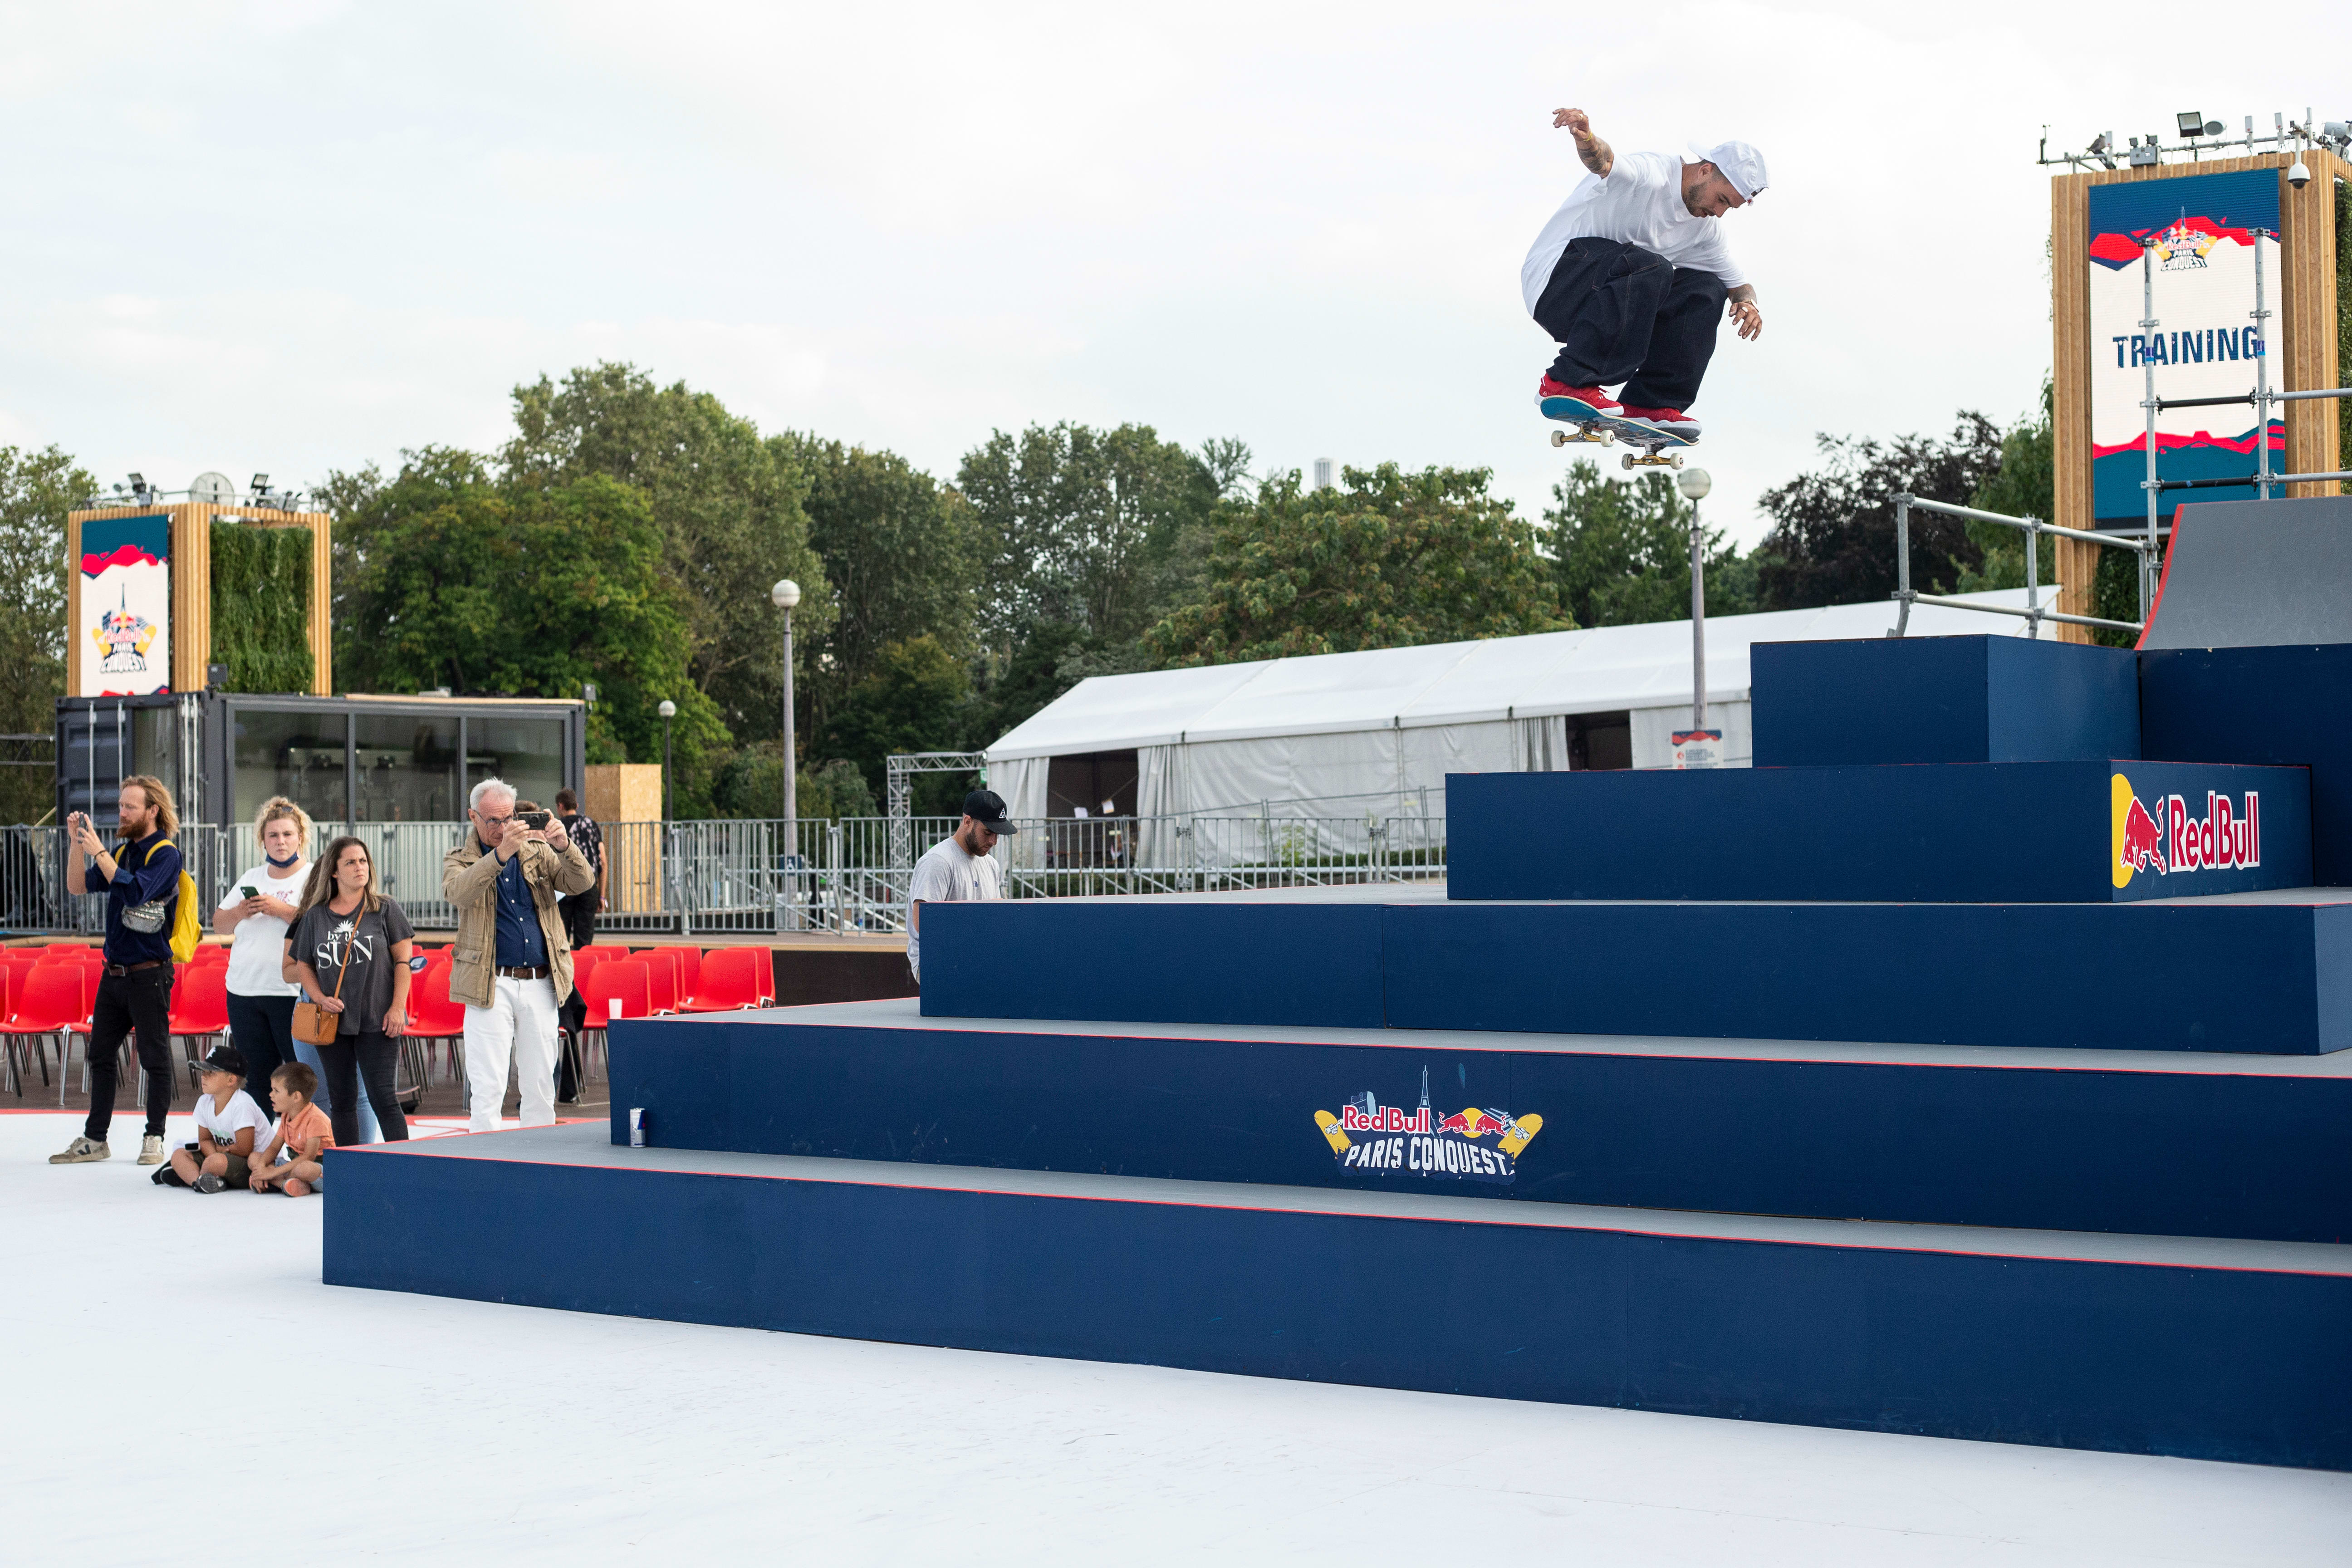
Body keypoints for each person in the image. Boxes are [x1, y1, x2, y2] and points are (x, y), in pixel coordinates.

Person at [1522, 108, 1767, 438]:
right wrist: (1587, 139)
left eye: (1730, 208)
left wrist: (1749, 304)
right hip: (1555, 283)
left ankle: (1650, 403)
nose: (1719, 213)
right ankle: (1565, 381)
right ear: (1705, 170)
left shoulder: (1705, 231)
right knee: (1651, 266)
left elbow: (1737, 285)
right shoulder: (1654, 173)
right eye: (1721, 200)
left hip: (1605, 307)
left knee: (1706, 289)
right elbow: (1605, 163)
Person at [442, 777, 593, 1133]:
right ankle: (486, 1164)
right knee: (488, 1083)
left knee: (541, 1082)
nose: (502, 827)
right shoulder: (459, 858)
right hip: (489, 982)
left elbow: (582, 883)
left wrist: (564, 846)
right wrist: (498, 857)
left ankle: (539, 1164)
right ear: (473, 817)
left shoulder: (537, 851)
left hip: (541, 979)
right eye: (492, 820)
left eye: (508, 818)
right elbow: (458, 894)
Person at [50, 776, 184, 1167]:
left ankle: (155, 1135)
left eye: (129, 807)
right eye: (121, 806)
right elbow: (77, 886)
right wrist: (80, 844)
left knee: (155, 1058)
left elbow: (137, 891)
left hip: (149, 973)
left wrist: (99, 851)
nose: (121, 813)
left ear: (152, 811)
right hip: (114, 973)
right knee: (101, 1055)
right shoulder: (123, 853)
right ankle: (96, 1138)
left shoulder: (166, 854)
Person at [284, 836, 414, 1149]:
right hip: (333, 1023)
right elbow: (303, 966)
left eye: (363, 861)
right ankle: (350, 1170)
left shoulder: (385, 909)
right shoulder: (316, 916)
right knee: (342, 1099)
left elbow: (403, 963)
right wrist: (318, 998)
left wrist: (398, 1008)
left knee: (384, 1098)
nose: (360, 868)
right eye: (351, 863)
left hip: (378, 1020)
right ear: (334, 872)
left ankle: (407, 1168)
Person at [215, 797, 315, 1120]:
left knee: (300, 1077)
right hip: (244, 990)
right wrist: (240, 911)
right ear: (263, 841)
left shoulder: (313, 877)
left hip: (289, 992)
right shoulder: (251, 876)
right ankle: (259, 1151)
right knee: (257, 1078)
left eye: (287, 834)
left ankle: (303, 1146)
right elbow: (219, 923)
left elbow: (318, 925)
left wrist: (281, 910)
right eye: (273, 836)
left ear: (301, 837)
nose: (281, 841)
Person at [905, 789, 1016, 985]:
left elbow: (996, 918)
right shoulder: (938, 861)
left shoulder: (991, 865)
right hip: (939, 962)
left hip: (976, 959)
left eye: (997, 835)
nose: (993, 842)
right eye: (988, 833)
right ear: (967, 822)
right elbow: (923, 923)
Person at [156, 1045, 272, 1193]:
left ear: (231, 1080)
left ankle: (197, 1176)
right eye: (203, 1071)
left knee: (215, 1162)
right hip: (222, 1156)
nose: (204, 1076)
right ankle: (198, 1182)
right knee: (179, 1155)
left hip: (253, 1165)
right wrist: (214, 1154)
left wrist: (216, 1155)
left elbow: (245, 1149)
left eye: (211, 1072)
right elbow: (204, 1140)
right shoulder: (204, 1102)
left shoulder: (242, 1105)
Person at [551, 789, 604, 1104]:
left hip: (567, 883)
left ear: (560, 806)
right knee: (585, 938)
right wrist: (601, 891)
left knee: (562, 930)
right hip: (589, 882)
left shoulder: (558, 826)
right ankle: (582, 970)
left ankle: (574, 972)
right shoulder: (590, 824)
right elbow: (602, 857)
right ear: (577, 805)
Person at [250, 1061, 332, 1197]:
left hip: (319, 1171)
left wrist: (272, 1173)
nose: (271, 1094)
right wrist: (261, 1168)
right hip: (293, 1167)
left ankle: (276, 1182)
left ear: (296, 1097)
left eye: (276, 1091)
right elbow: (273, 1148)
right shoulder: (286, 1116)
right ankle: (290, 1185)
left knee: (304, 1169)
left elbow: (308, 1157)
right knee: (255, 1158)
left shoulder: (316, 1119)